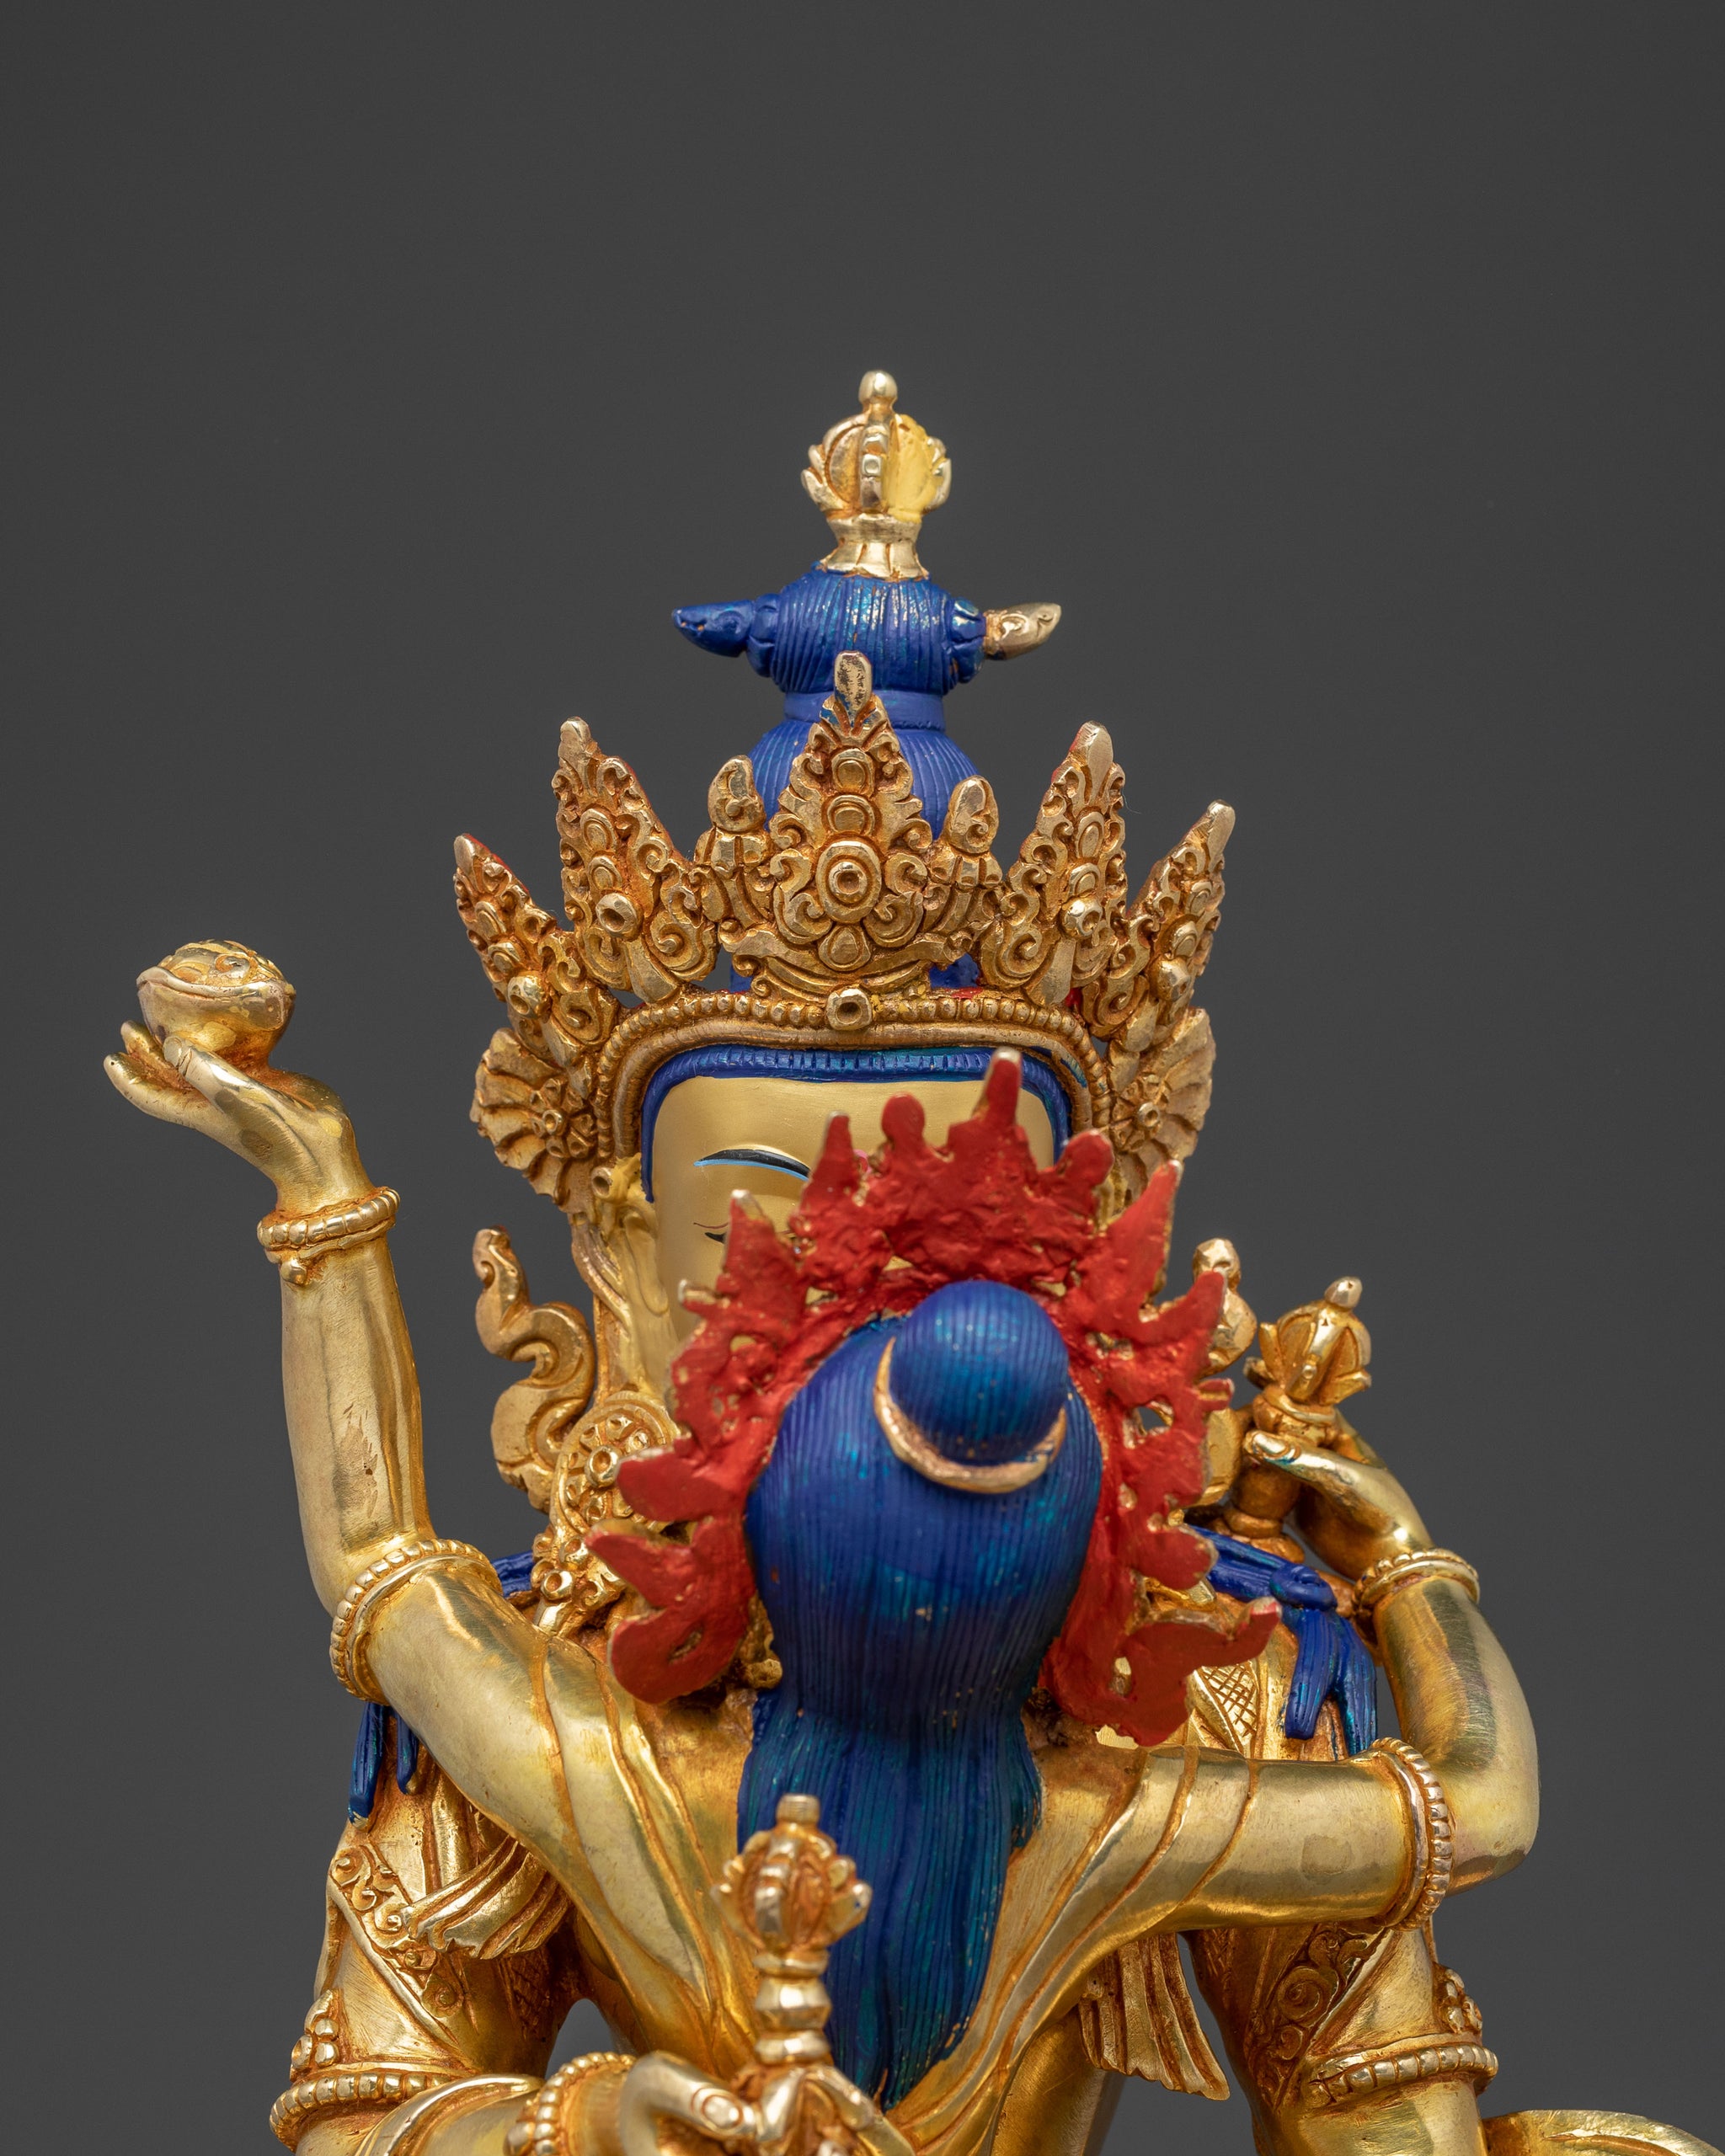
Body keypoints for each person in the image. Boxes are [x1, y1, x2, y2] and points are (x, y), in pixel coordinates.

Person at [105, 376, 1712, 2156]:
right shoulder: (543, 1685)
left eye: (959, 1258)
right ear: (622, 1257)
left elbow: (1380, 2127)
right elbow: (366, 2121)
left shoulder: (1231, 1686)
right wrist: (582, 2129)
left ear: (1089, 1274)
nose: (857, 1332)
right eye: (762, 1244)